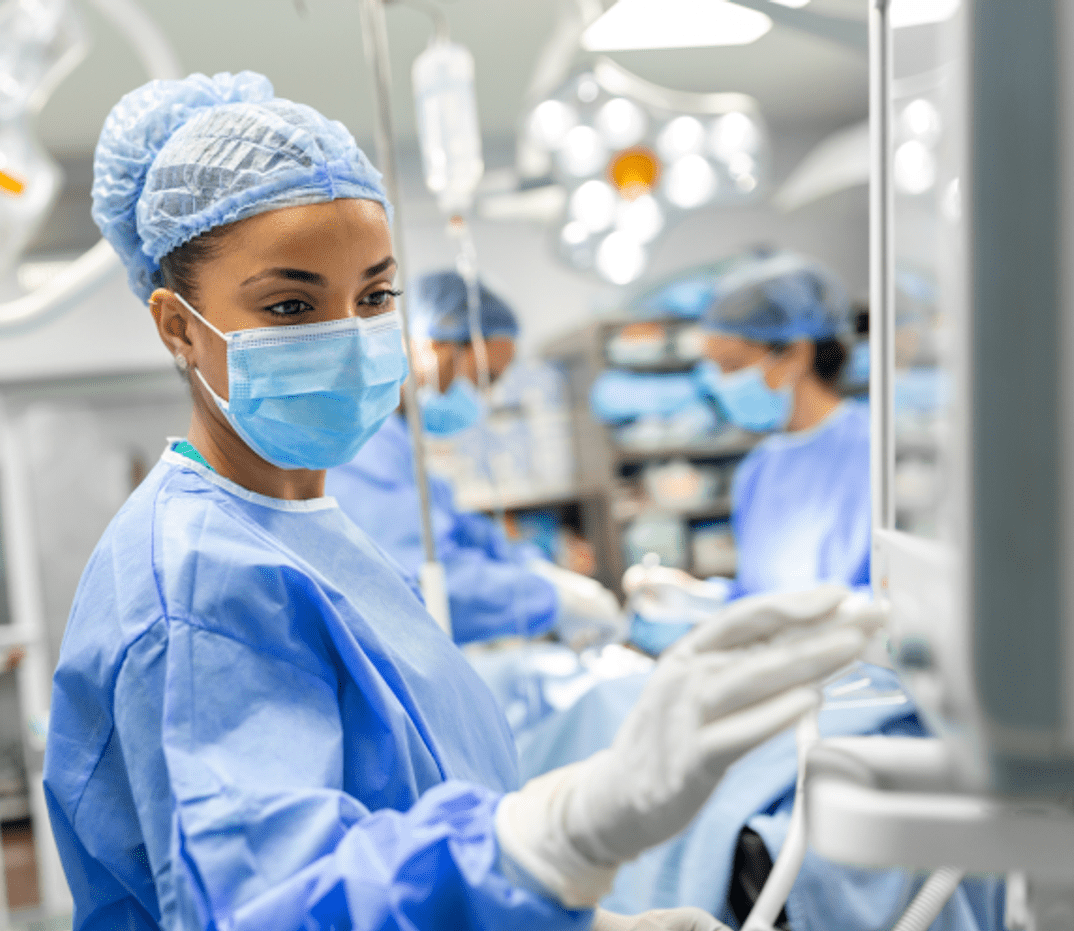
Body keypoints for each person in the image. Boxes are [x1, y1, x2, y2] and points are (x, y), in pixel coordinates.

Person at [43, 72, 877, 931]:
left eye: (374, 296)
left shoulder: (303, 530)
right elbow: (276, 906)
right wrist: (544, 844)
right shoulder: (196, 586)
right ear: (179, 326)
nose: (349, 337)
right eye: (292, 305)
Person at [326, 270, 621, 649]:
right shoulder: (362, 450)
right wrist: (551, 600)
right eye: (484, 378)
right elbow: (429, 581)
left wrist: (534, 567)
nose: (485, 398)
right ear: (436, 346)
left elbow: (462, 531)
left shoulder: (399, 445)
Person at [626, 254, 870, 650]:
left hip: (858, 673)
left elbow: (895, 601)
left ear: (796, 354)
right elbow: (762, 597)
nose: (719, 384)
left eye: (731, 364)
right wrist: (699, 599)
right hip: (778, 671)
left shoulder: (874, 453)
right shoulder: (759, 469)